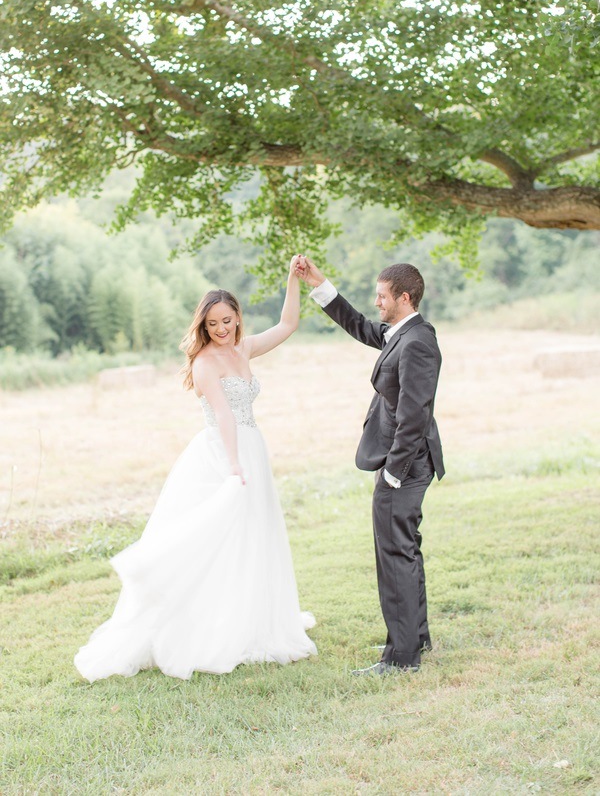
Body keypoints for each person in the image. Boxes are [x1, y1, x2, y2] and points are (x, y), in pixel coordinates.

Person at [74, 256, 316, 681]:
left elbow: (288, 325)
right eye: (213, 325)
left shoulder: (243, 347)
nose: (222, 330)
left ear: (238, 317)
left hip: (252, 447)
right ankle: (210, 626)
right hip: (223, 454)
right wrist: (234, 465)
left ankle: (252, 618)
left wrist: (292, 281)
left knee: (254, 535)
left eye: (227, 321)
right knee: (216, 539)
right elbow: (223, 416)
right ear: (203, 327)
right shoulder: (205, 363)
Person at [295, 257, 444, 675]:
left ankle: (401, 658)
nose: (376, 302)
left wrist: (393, 472)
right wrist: (320, 284)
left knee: (394, 554)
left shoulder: (418, 342)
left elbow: (415, 414)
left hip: (406, 466)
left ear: (404, 297)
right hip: (408, 462)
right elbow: (360, 325)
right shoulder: (403, 333)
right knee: (406, 549)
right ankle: (415, 638)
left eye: (382, 296)